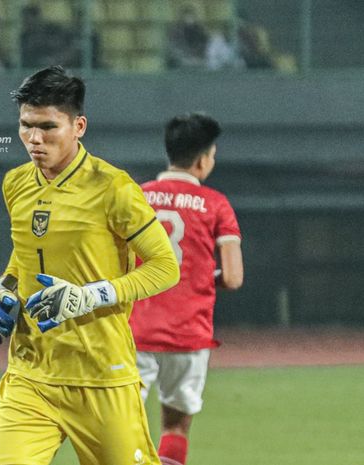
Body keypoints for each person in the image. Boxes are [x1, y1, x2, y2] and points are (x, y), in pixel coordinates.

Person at [0, 66, 180, 465]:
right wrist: (3, 289)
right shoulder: (16, 184)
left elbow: (165, 266)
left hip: (101, 376)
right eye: (25, 126)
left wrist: (91, 295)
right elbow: (23, 254)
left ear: (79, 126)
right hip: (30, 375)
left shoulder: (114, 188)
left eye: (47, 127)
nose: (34, 139)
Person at [129, 113, 244, 465]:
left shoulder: (135, 197)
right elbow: (234, 277)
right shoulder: (216, 204)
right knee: (175, 428)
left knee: (122, 427)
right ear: (201, 160)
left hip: (133, 333)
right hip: (188, 334)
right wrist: (203, 279)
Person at [166, 5, 209, 69]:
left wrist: (197, 54)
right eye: (187, 16)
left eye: (191, 16)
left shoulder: (199, 29)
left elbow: (204, 43)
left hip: (198, 58)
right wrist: (186, 56)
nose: (189, 19)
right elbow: (173, 47)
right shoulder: (175, 30)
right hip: (181, 59)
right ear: (182, 17)